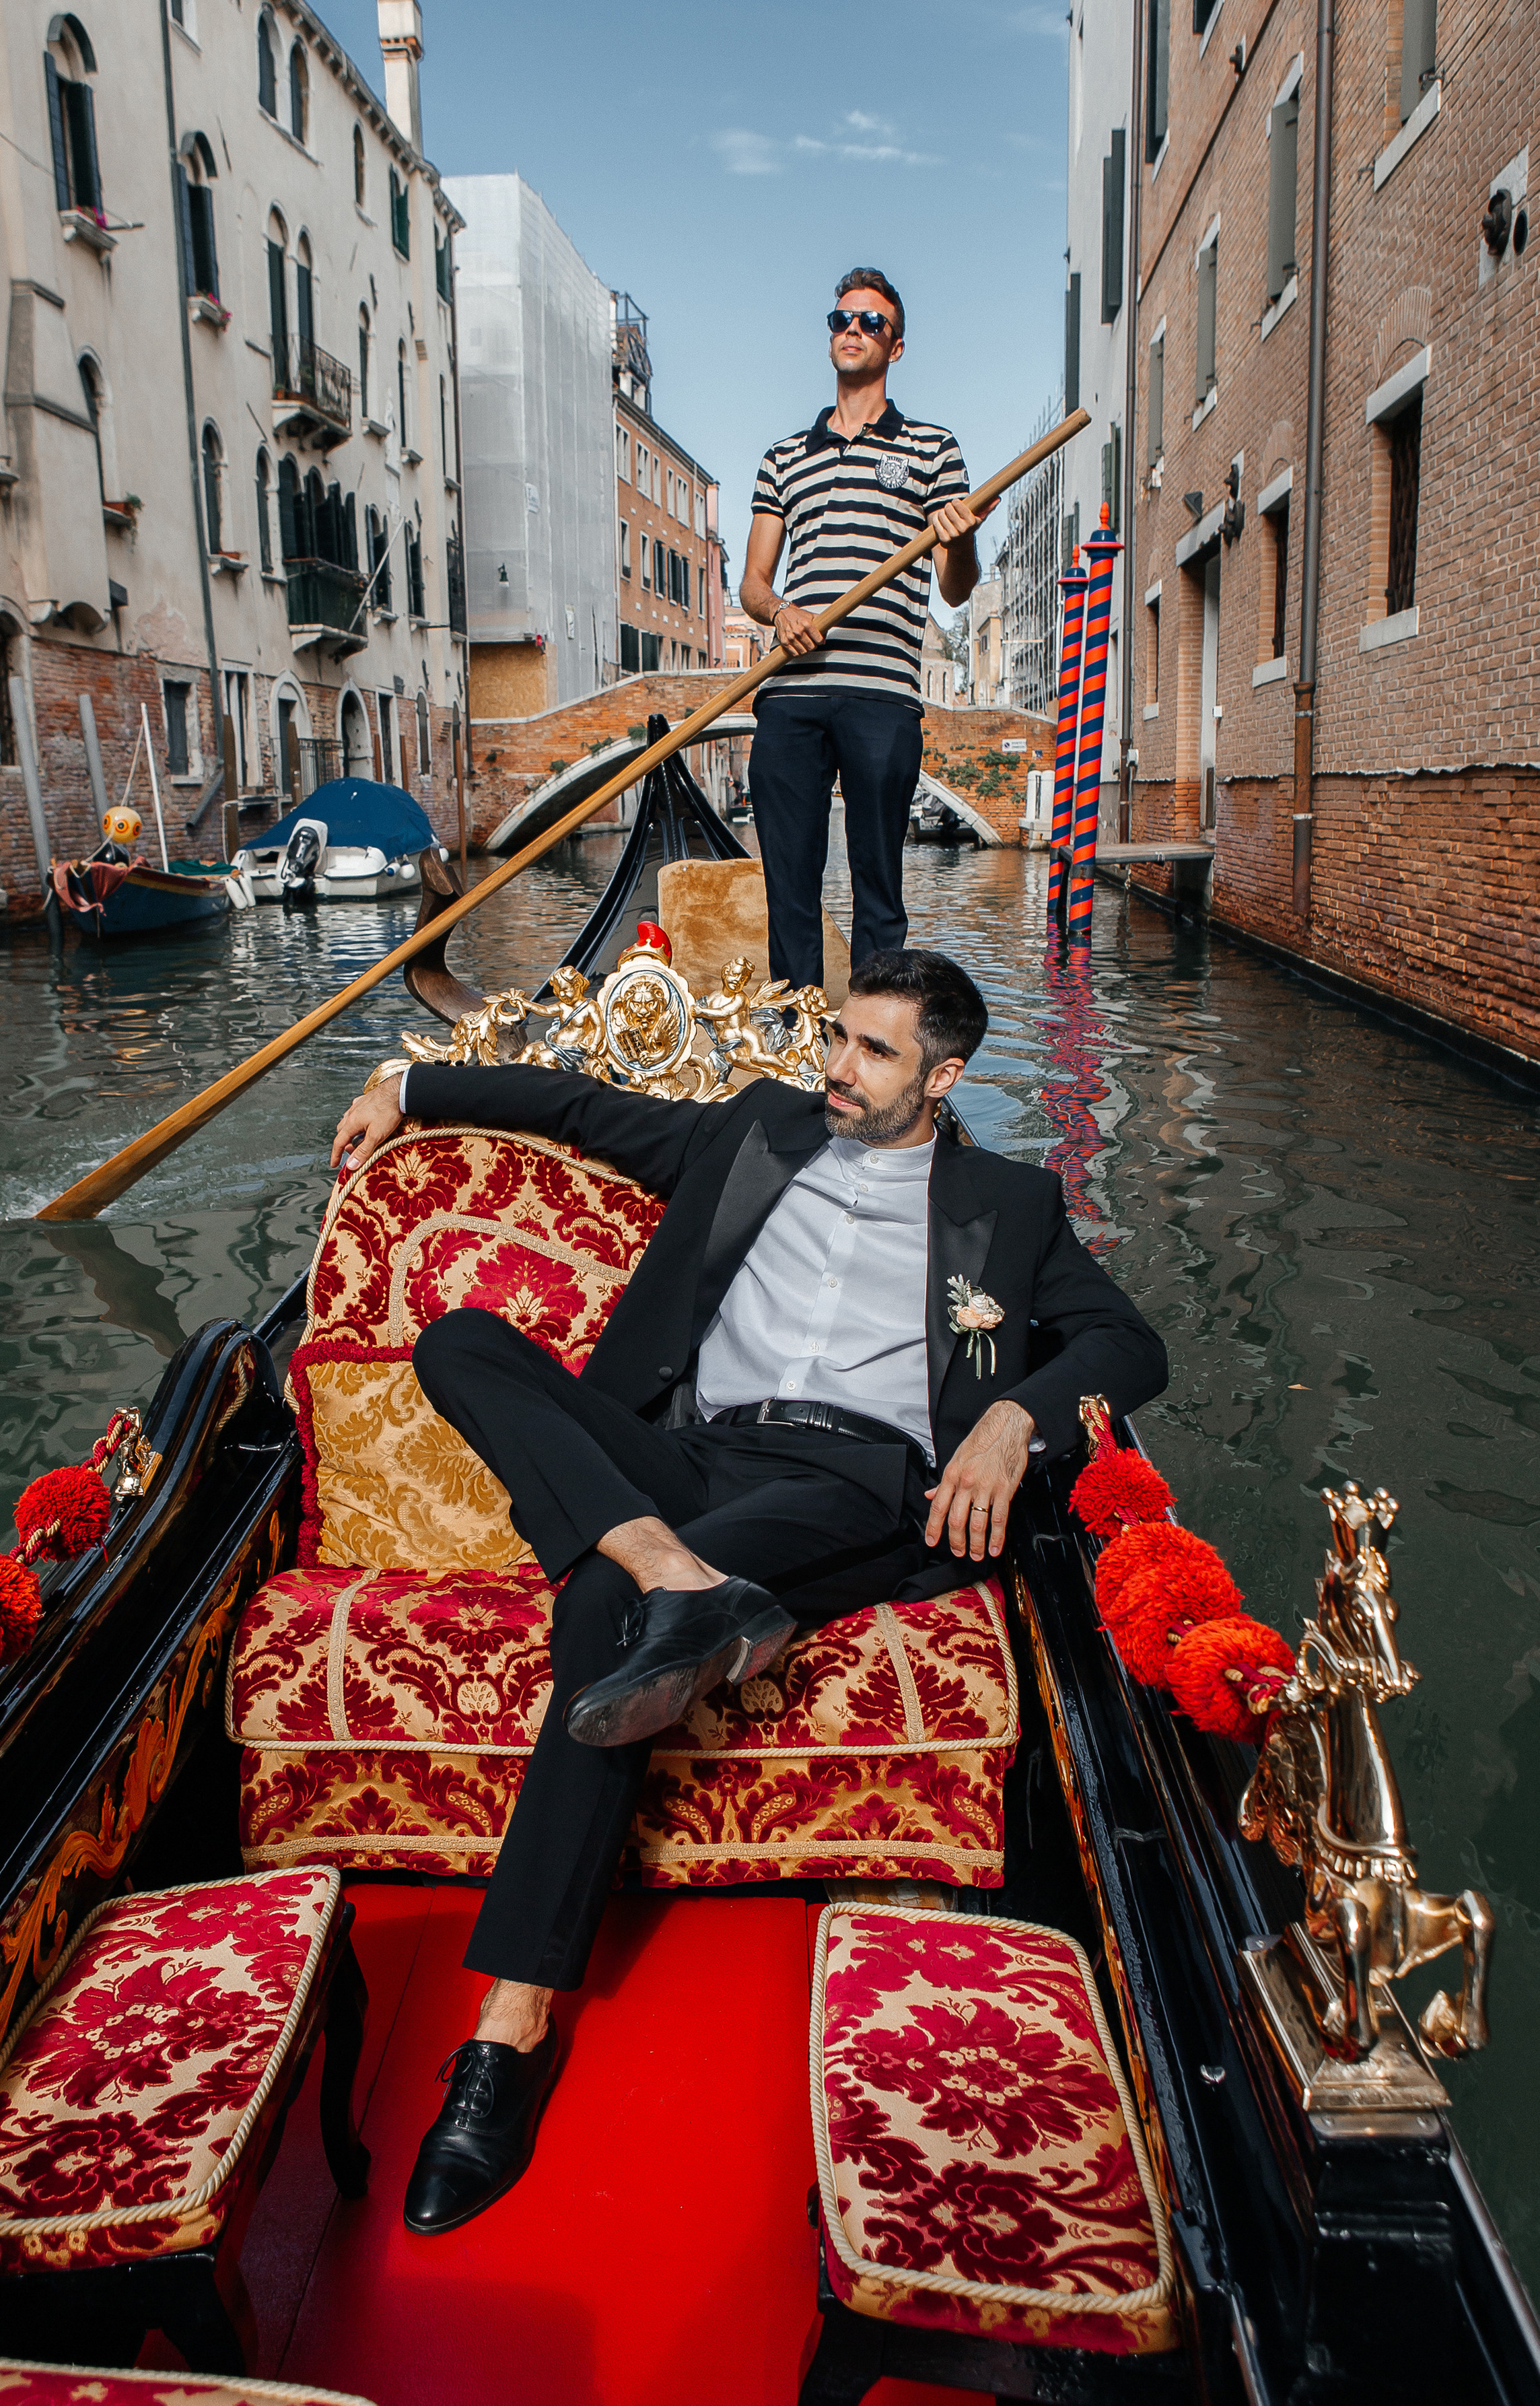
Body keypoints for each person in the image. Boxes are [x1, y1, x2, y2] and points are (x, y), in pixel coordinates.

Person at [328, 947, 1167, 2236]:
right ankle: (674, 1571)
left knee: (601, 1623)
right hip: (686, 1451)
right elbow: (572, 1108)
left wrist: (1014, 1416)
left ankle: (507, 2028)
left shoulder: (1011, 1201)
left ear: (943, 1076)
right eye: (839, 1036)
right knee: (460, 1342)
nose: (837, 1066)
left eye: (874, 1052)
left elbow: (1127, 1342)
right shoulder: (756, 1130)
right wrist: (410, 1081)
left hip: (856, 1478)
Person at [739, 268, 982, 992]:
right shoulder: (783, 457)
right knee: (789, 883)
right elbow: (752, 582)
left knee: (879, 884)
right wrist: (781, 611)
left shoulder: (934, 450)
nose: (853, 328)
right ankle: (795, 1034)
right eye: (841, 318)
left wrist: (959, 536)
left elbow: (955, 586)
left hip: (882, 695)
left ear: (895, 346)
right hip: (790, 696)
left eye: (871, 322)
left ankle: (873, 1036)